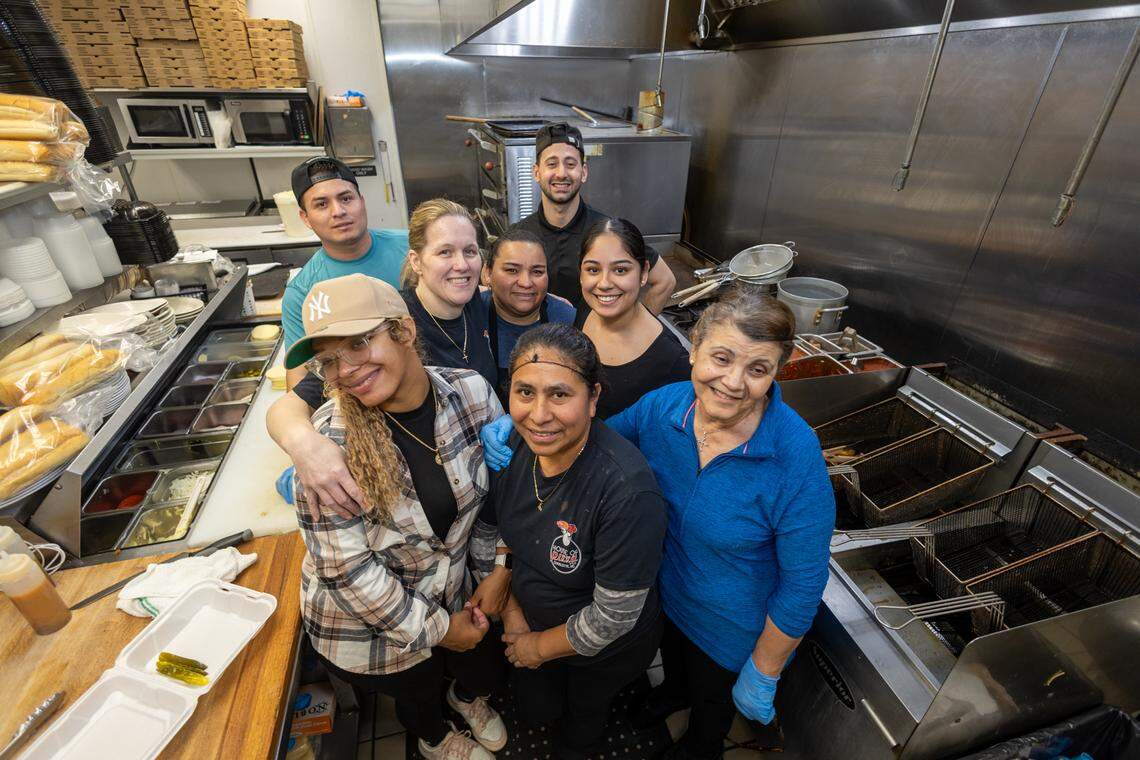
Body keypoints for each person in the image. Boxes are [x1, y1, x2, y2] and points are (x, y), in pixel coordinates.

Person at [481, 289, 835, 759]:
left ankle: (699, 745)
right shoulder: (667, 407)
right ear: (693, 349)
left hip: (730, 628)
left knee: (709, 713)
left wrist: (765, 668)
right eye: (721, 358)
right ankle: (669, 696)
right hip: (662, 596)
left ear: (776, 372)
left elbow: (804, 580)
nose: (732, 382)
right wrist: (521, 422)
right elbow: (597, 437)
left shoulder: (793, 455)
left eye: (757, 369)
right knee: (674, 676)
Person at [283, 273, 513, 760]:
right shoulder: (329, 450)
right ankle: (433, 738)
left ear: (404, 331)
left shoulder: (471, 393)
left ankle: (465, 700)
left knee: (477, 667)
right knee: (418, 687)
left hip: (455, 588)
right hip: (368, 626)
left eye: (361, 342)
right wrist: (440, 630)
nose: (345, 369)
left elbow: (499, 500)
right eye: (329, 360)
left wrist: (497, 569)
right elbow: (347, 571)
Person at [488, 323, 666, 760]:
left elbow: (612, 618)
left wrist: (535, 648)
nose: (539, 414)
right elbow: (505, 531)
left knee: (584, 717)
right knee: (537, 708)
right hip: (528, 617)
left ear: (594, 399)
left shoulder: (626, 490)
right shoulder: (515, 443)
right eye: (525, 393)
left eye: (560, 394)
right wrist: (511, 610)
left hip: (600, 647)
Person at [268, 198, 496, 515]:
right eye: (445, 252)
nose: (461, 264)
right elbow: (290, 405)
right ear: (416, 262)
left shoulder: (475, 303)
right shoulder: (389, 325)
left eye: (469, 251)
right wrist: (304, 444)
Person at [512, 123, 675, 314]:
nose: (562, 173)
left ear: (584, 172)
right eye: (552, 164)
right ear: (537, 172)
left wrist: (633, 331)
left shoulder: (607, 232)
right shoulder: (519, 235)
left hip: (593, 341)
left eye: (571, 164)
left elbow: (665, 281)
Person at [281, 156, 409, 390]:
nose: (338, 211)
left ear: (362, 201)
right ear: (305, 218)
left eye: (346, 198)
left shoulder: (413, 248)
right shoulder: (301, 292)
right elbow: (300, 381)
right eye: (321, 204)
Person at [579, 217, 690, 418]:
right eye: (593, 270)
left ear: (644, 273)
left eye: (620, 270)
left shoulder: (672, 360)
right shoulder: (584, 313)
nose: (604, 283)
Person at [480, 227, 576, 394]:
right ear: (488, 273)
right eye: (512, 270)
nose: (526, 282)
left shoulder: (568, 320)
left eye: (537, 272)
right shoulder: (470, 314)